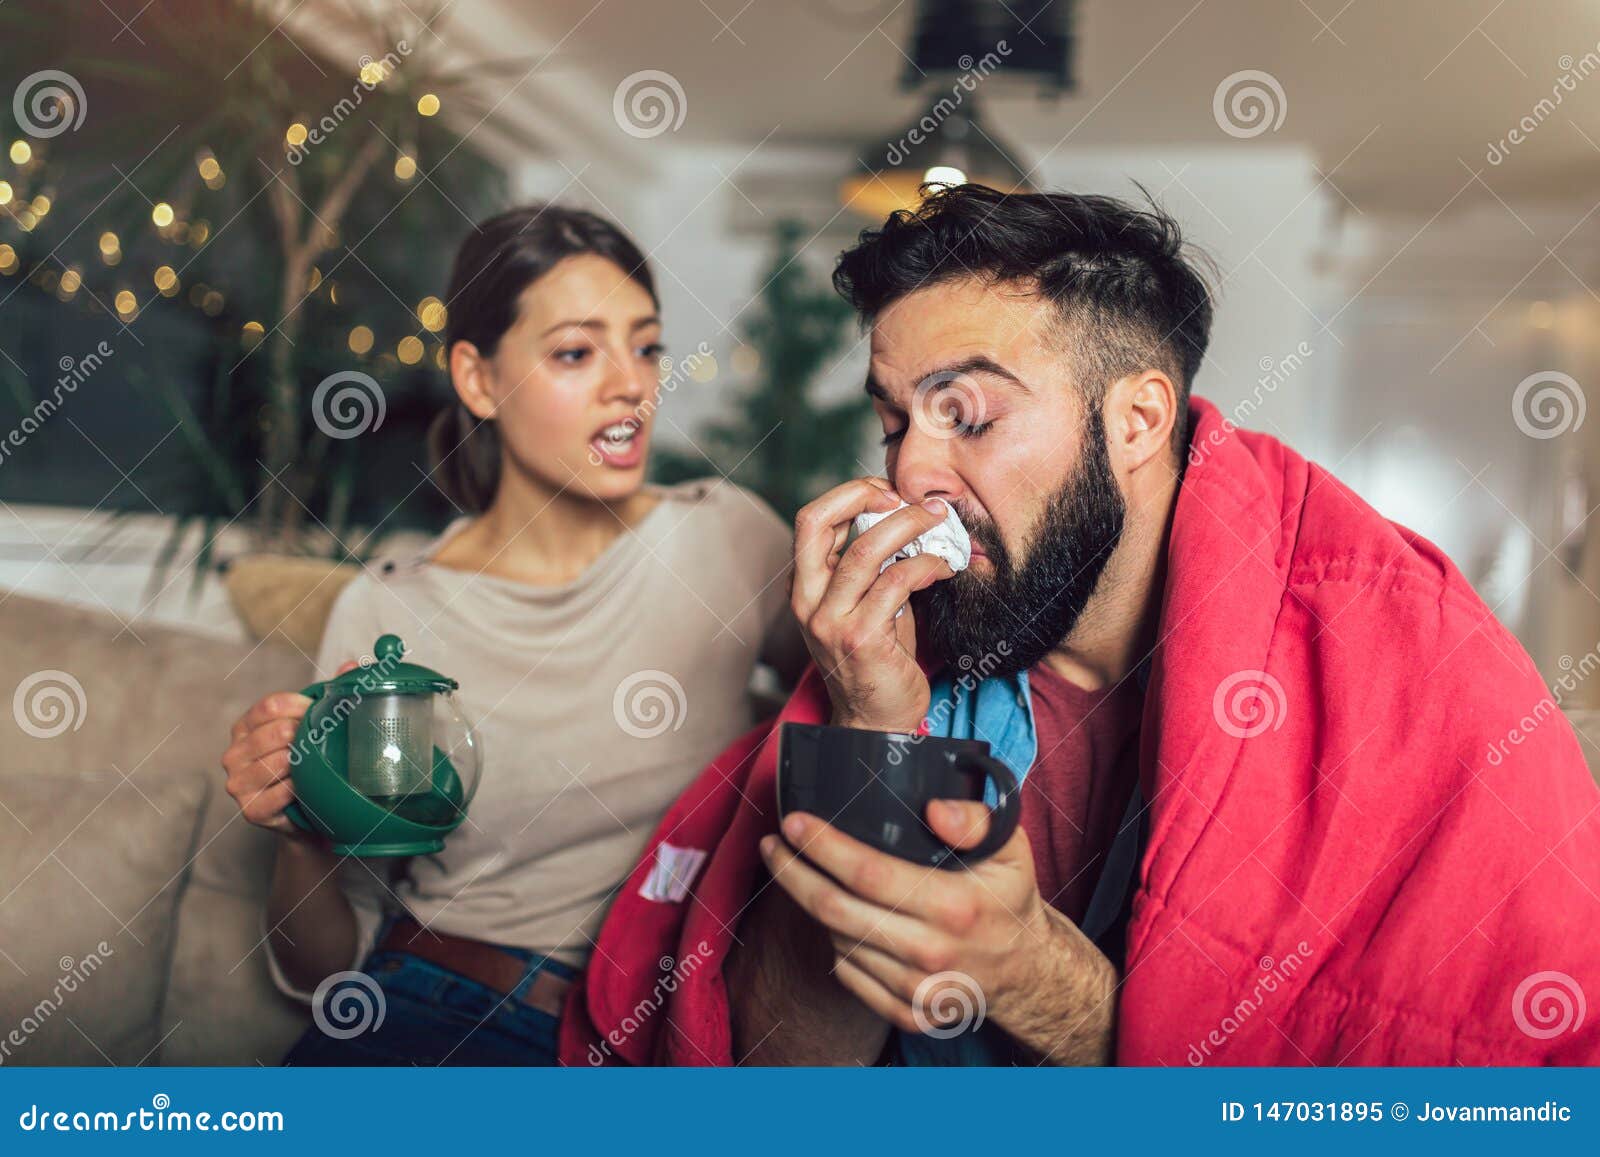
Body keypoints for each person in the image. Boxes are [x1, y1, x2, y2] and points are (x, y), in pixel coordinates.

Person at [563, 184, 1600, 1066]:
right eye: (893, 422)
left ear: (1137, 420)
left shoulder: (1401, 650)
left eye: (968, 416)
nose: (911, 470)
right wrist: (868, 724)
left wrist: (1039, 980)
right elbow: (774, 1079)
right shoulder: (909, 652)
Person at [219, 204, 805, 1065]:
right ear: (478, 379)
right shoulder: (393, 611)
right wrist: (301, 829)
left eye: (646, 347)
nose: (631, 385)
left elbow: (859, 699)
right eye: (576, 352)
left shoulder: (727, 537)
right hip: (429, 1005)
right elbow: (324, 973)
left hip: (652, 1036)